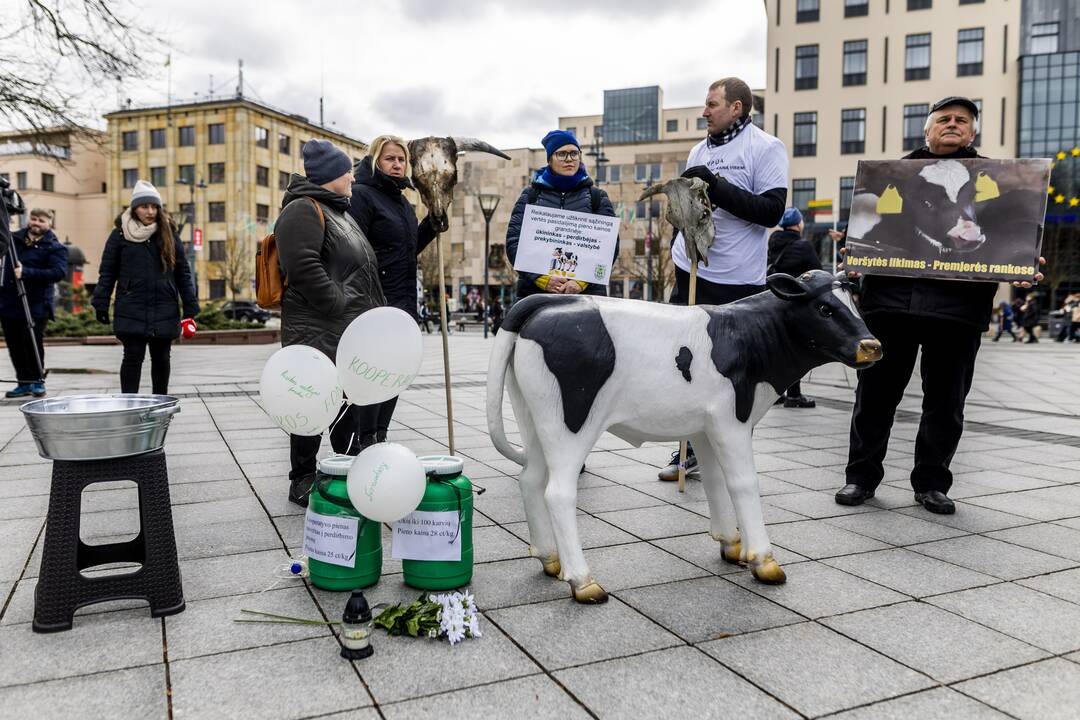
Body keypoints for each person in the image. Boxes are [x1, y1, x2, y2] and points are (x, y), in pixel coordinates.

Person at [834, 97, 1044, 514]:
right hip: (891, 305)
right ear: (927, 131)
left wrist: (1022, 261)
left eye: (961, 120)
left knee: (946, 402)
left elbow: (1009, 235)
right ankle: (860, 477)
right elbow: (869, 231)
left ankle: (932, 482)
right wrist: (854, 252)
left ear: (973, 132)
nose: (952, 125)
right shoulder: (891, 176)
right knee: (875, 395)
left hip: (958, 312)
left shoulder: (992, 178)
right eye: (943, 119)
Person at [658, 76, 789, 481]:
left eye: (712, 104)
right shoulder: (699, 148)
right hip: (694, 267)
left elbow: (771, 211)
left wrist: (717, 184)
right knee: (687, 363)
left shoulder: (766, 148)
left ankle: (729, 443)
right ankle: (687, 447)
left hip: (738, 277)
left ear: (737, 108)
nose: (704, 111)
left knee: (731, 372)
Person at [278, 140, 385, 507]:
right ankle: (303, 478)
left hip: (346, 330)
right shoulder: (303, 210)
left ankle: (344, 470)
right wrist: (336, 304)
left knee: (346, 402)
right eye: (346, 172)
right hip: (316, 329)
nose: (353, 177)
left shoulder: (340, 212)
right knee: (311, 403)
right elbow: (302, 266)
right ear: (329, 177)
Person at [347, 135, 439, 448]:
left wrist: (432, 223)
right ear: (375, 161)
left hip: (403, 300)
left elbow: (408, 248)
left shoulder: (401, 201)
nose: (397, 164)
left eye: (401, 159)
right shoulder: (361, 195)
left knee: (395, 373)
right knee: (374, 374)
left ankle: (380, 436)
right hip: (375, 302)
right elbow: (354, 248)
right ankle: (363, 439)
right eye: (390, 159)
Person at [92, 181, 198, 395]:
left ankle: (160, 402)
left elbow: (182, 273)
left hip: (164, 305)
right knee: (132, 356)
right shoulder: (119, 235)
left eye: (154, 206)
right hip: (132, 305)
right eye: (144, 206)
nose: (150, 211)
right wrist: (101, 302)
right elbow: (107, 272)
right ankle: (129, 403)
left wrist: (190, 306)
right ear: (134, 208)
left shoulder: (169, 234)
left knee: (161, 358)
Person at [505, 129, 617, 300]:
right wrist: (541, 279)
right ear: (550, 159)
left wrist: (581, 282)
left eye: (574, 153)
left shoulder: (597, 197)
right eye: (562, 154)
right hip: (536, 294)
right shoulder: (531, 196)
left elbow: (609, 247)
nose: (569, 159)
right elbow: (514, 243)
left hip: (587, 296)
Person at [0, 208, 66, 397]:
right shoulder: (13, 240)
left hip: (36, 304)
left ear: (49, 224)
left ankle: (37, 380)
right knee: (14, 344)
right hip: (10, 302)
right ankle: (23, 382)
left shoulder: (55, 247)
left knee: (32, 342)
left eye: (41, 220)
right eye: (34, 219)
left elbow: (58, 272)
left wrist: (26, 272)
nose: (36, 223)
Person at [767, 207, 821, 408]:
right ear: (798, 224)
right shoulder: (803, 246)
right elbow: (817, 273)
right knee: (795, 350)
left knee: (778, 349)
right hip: (796, 303)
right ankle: (794, 395)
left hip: (774, 302)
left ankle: (777, 393)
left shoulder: (773, 242)